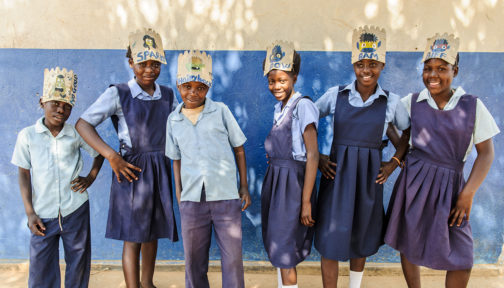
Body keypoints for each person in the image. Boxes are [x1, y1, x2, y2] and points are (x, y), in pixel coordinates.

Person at [384, 33, 500, 288]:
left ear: (455, 71)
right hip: (414, 182)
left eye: (441, 68)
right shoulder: (413, 102)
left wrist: (467, 194)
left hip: (452, 187)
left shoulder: (472, 106)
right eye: (428, 69)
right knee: (409, 239)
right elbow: (390, 123)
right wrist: (401, 155)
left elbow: (486, 152)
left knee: (461, 254)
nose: (433, 75)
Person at [75, 28, 178, 288]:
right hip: (132, 170)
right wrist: (111, 156)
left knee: (152, 232)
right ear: (130, 63)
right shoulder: (118, 93)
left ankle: (147, 283)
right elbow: (83, 124)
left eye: (156, 64)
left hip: (160, 169)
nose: (149, 69)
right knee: (133, 236)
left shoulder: (167, 95)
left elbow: (179, 128)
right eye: (143, 63)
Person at [314, 26, 410, 288]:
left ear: (382, 64)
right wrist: (318, 157)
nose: (366, 70)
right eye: (360, 64)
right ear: (353, 64)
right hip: (337, 176)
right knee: (330, 238)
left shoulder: (391, 102)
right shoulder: (336, 95)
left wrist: (394, 163)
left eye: (373, 64)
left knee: (361, 234)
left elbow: (407, 130)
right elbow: (304, 119)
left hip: (369, 178)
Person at [165, 50, 252, 288]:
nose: (193, 92)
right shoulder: (173, 120)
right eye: (187, 86)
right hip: (192, 200)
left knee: (232, 259)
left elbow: (239, 148)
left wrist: (243, 186)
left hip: (225, 196)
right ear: (178, 85)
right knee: (194, 260)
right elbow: (176, 159)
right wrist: (179, 195)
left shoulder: (221, 111)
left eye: (200, 87)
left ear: (208, 87)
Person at [11, 67, 104, 288]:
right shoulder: (27, 136)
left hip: (75, 209)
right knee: (41, 269)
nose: (61, 109)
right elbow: (24, 173)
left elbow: (99, 152)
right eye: (55, 103)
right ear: (42, 102)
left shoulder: (76, 134)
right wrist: (30, 212)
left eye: (67, 105)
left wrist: (90, 178)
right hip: (42, 214)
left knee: (78, 263)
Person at [260, 41, 319, 288]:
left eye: (282, 80)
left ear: (294, 77)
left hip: (293, 188)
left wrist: (305, 201)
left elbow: (313, 155)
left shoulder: (302, 105)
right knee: (277, 244)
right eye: (272, 80)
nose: (276, 86)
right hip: (276, 182)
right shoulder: (279, 107)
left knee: (286, 251)